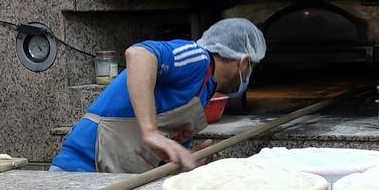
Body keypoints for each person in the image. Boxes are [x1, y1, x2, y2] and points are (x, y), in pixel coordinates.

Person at [51, 18, 266, 173]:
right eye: (252, 67)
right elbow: (139, 54)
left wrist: (187, 160)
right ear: (244, 62)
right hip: (79, 169)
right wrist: (150, 132)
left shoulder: (206, 88)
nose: (248, 75)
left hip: (113, 176)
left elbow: (159, 152)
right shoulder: (197, 58)